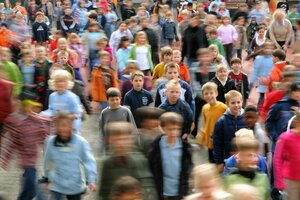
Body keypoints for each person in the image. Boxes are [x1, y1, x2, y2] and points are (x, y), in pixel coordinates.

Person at [0, 91, 50, 200]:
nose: (30, 109)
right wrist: (5, 158)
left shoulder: (38, 120)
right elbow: (11, 142)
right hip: (25, 160)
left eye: (33, 107)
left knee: (28, 188)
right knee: (33, 186)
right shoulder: (14, 119)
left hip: (33, 158)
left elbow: (45, 136)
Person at [43, 111, 97, 200]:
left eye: (66, 125)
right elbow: (48, 160)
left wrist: (90, 179)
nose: (63, 129)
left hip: (74, 185)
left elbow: (88, 161)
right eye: (60, 125)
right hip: (57, 184)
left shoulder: (80, 142)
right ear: (56, 126)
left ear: (71, 126)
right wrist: (46, 177)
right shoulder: (50, 142)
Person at [99, 122, 157, 200]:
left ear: (132, 140)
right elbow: (104, 191)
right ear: (109, 140)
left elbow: (148, 189)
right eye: (117, 139)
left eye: (125, 139)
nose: (121, 143)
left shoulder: (139, 161)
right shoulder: (107, 164)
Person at [148, 112, 193, 200]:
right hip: (162, 191)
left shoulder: (184, 147)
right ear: (162, 128)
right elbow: (151, 166)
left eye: (177, 129)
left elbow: (188, 167)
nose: (174, 132)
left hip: (180, 191)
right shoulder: (156, 147)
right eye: (170, 129)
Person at [213, 90, 247, 168]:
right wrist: (219, 162)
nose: (236, 105)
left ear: (242, 102)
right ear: (227, 104)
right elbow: (217, 144)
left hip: (244, 158)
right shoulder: (221, 122)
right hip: (228, 159)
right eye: (233, 103)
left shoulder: (247, 119)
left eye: (238, 102)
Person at [42, 70, 82, 135]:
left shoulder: (72, 97)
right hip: (57, 128)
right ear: (53, 83)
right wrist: (42, 114)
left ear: (67, 83)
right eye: (57, 81)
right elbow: (51, 110)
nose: (59, 83)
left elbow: (77, 114)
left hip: (71, 128)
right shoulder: (52, 96)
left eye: (62, 81)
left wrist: (63, 117)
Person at [274, 110, 300, 200]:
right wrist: (279, 181)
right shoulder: (285, 137)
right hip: (290, 180)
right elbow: (277, 159)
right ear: (296, 123)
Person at [198, 82, 227, 163]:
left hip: (220, 140)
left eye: (211, 93)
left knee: (221, 162)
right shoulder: (205, 108)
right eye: (206, 93)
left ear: (216, 93)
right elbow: (205, 124)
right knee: (211, 162)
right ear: (203, 96)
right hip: (210, 141)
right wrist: (202, 138)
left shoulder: (223, 107)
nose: (209, 95)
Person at [266, 81, 300, 148]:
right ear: (291, 91)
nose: (298, 94)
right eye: (296, 91)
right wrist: (276, 138)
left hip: (296, 145)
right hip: (279, 143)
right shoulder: (280, 105)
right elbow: (269, 123)